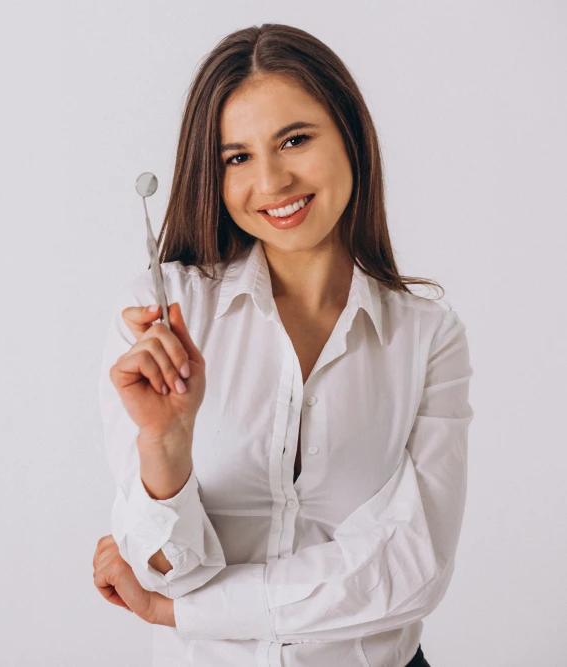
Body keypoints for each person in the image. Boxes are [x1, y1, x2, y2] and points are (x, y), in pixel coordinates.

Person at [92, 24, 473, 667]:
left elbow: (414, 570)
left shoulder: (427, 335)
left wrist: (187, 613)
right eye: (237, 157)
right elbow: (161, 571)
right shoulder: (163, 318)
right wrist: (165, 444)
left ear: (348, 134)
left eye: (294, 140)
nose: (270, 182)